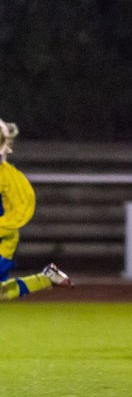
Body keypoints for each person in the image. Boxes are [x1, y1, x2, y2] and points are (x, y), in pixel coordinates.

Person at [0, 118, 72, 301]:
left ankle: (46, 278)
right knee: (2, 293)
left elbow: (20, 214)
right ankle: (47, 278)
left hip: (3, 242)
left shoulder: (9, 178)